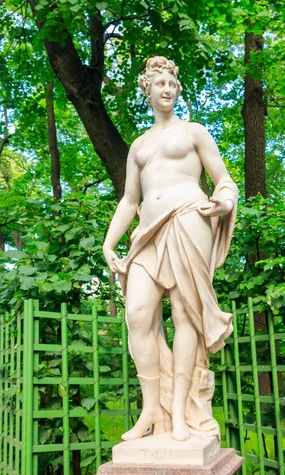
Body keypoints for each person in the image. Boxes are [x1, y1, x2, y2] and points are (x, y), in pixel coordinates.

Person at [103, 56, 238, 442]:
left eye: (172, 84)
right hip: (147, 232)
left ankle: (179, 411)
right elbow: (130, 200)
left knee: (184, 314)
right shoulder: (138, 146)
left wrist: (225, 200)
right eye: (159, 84)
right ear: (147, 91)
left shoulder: (194, 132)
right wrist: (108, 243)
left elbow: (223, 177)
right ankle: (151, 410)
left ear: (178, 91)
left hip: (189, 219)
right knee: (138, 313)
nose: (166, 89)